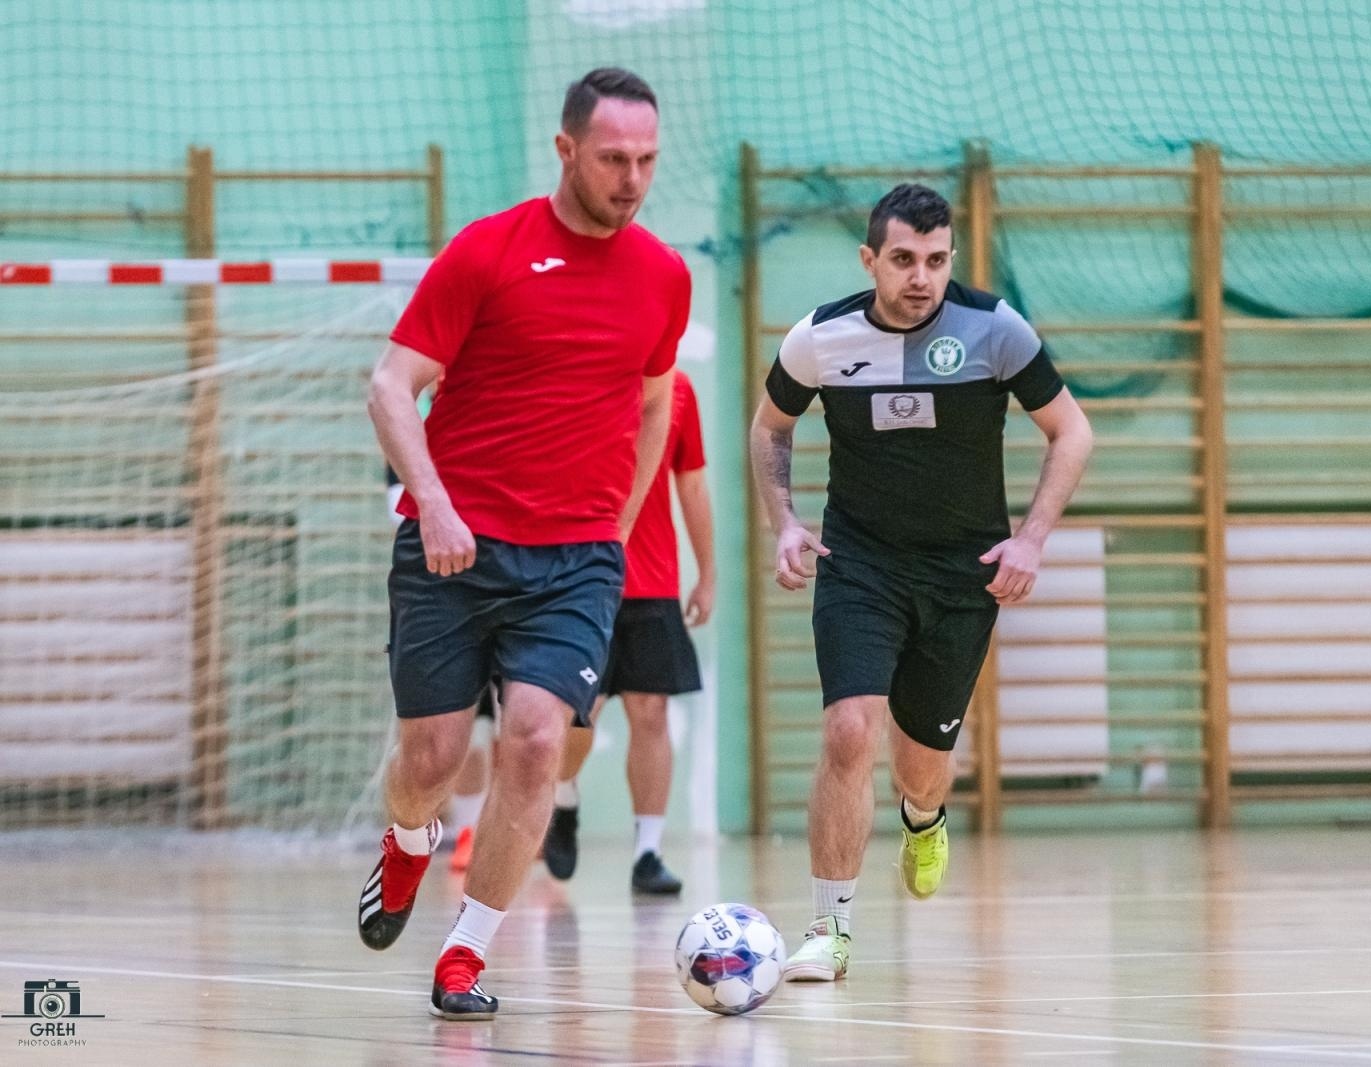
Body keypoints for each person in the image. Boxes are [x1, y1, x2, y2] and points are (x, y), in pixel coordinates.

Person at [360, 67, 689, 1021]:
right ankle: (408, 840)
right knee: (431, 758)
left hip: (576, 562)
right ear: (566, 150)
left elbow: (657, 393)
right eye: (614, 158)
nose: (632, 178)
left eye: (648, 160)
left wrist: (618, 532)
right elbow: (390, 386)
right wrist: (433, 504)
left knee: (539, 743)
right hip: (455, 548)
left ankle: (464, 954)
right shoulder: (487, 252)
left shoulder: (662, 275)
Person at [748, 183, 1094, 981]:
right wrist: (788, 524)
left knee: (919, 763)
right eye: (903, 259)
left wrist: (1031, 541)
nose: (921, 277)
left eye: (936, 261)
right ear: (870, 259)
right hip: (859, 562)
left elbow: (1071, 430)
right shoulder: (821, 338)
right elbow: (772, 424)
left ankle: (923, 815)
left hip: (960, 571)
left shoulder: (994, 329)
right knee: (847, 731)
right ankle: (829, 930)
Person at [542, 368, 714, 896]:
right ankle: (564, 797)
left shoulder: (677, 390)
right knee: (576, 716)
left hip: (652, 579)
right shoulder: (572, 379)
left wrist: (707, 574)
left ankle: (648, 851)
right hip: (578, 576)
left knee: (651, 711)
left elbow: (691, 482)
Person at [387, 461, 493, 875]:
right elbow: (398, 503)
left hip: (525, 576)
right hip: (445, 584)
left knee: (522, 726)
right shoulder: (413, 421)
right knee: (456, 736)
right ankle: (462, 830)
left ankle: (500, 830)